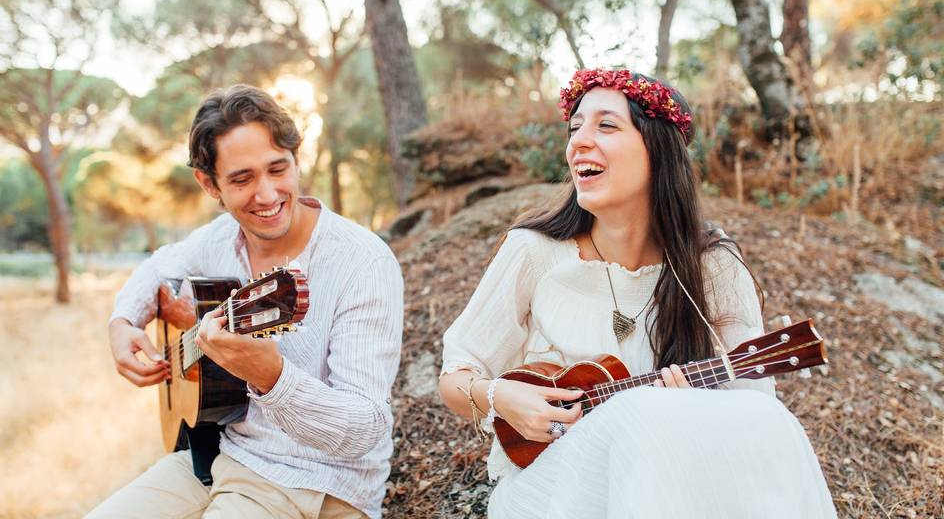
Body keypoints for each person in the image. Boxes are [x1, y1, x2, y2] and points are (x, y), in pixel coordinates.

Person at [438, 68, 836, 518]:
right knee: (643, 414)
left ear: (658, 151)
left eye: (606, 125)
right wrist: (500, 398)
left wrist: (691, 408)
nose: (579, 142)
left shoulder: (712, 265)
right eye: (575, 128)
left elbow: (751, 408)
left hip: (672, 479)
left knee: (773, 424)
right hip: (549, 486)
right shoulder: (535, 251)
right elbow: (455, 377)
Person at [90, 85, 403, 519]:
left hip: (317, 483)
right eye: (242, 179)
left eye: (278, 169)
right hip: (219, 456)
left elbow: (364, 429)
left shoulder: (361, 262)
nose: (268, 194)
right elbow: (158, 267)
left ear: (297, 160)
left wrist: (272, 378)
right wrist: (123, 321)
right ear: (209, 184)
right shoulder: (220, 238)